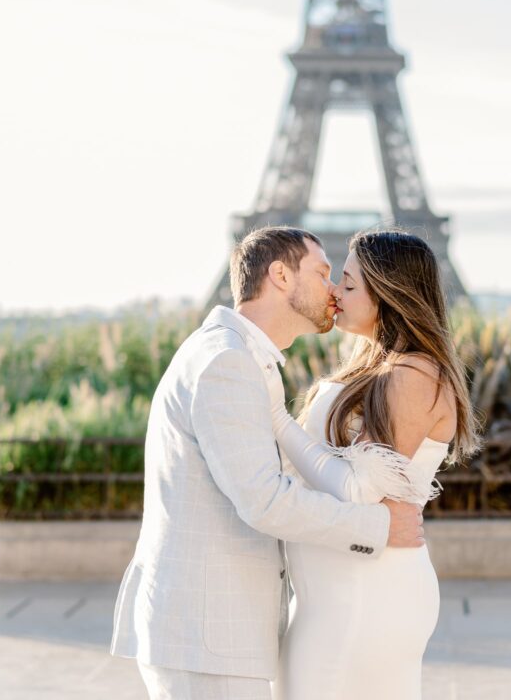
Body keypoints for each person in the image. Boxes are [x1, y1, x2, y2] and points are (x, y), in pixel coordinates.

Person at [110, 226, 425, 700]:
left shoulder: (234, 355)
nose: (333, 291)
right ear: (280, 274)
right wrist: (376, 526)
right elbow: (262, 500)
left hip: (212, 635)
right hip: (208, 638)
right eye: (322, 273)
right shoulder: (228, 362)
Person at [269, 229, 479, 700]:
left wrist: (277, 420)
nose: (335, 294)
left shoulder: (412, 374)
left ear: (387, 291)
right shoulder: (375, 365)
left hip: (365, 595)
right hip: (334, 593)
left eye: (348, 283)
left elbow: (359, 489)